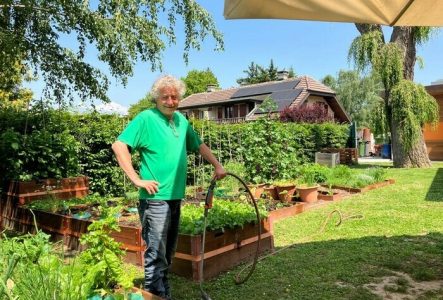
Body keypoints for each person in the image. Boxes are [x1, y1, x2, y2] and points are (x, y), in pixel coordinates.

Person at [112, 75, 226, 299]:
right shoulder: (146, 118)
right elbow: (119, 145)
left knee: (168, 251)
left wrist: (217, 165)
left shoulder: (181, 121)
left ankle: (162, 293)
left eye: (174, 97)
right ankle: (155, 293)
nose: (170, 101)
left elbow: (198, 145)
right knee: (156, 252)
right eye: (165, 97)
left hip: (175, 196)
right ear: (157, 98)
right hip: (155, 199)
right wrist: (136, 179)